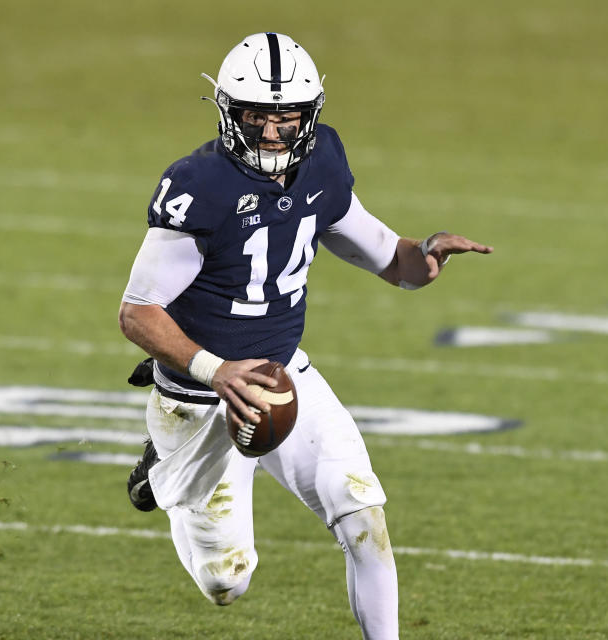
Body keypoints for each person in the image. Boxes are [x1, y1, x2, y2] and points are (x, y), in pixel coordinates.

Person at [119, 32, 493, 640]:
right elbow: (138, 313)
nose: (271, 132)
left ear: (310, 114)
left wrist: (423, 256)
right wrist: (215, 369)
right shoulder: (198, 185)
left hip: (282, 376)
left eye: (286, 116)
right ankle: (163, 467)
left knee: (361, 508)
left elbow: (382, 255)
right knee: (226, 581)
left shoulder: (322, 162)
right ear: (228, 112)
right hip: (200, 396)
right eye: (257, 117)